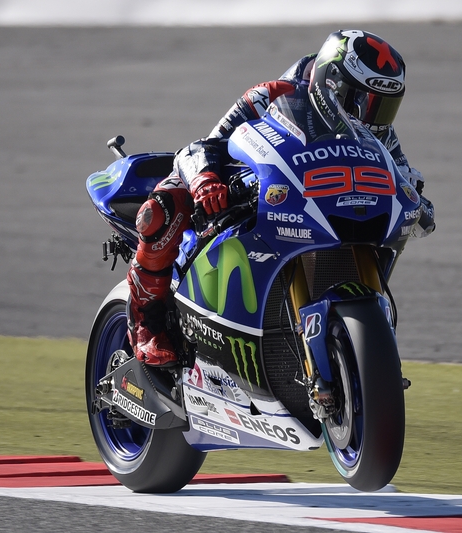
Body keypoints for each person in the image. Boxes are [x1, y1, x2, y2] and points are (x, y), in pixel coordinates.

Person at [126, 29, 435, 367]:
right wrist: (205, 181)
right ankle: (146, 323)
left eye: (385, 106)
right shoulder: (273, 95)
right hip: (239, 185)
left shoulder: (376, 130)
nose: (373, 116)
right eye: (363, 100)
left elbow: (402, 175)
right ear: (331, 84)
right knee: (161, 210)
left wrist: (417, 204)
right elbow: (202, 147)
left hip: (318, 203)